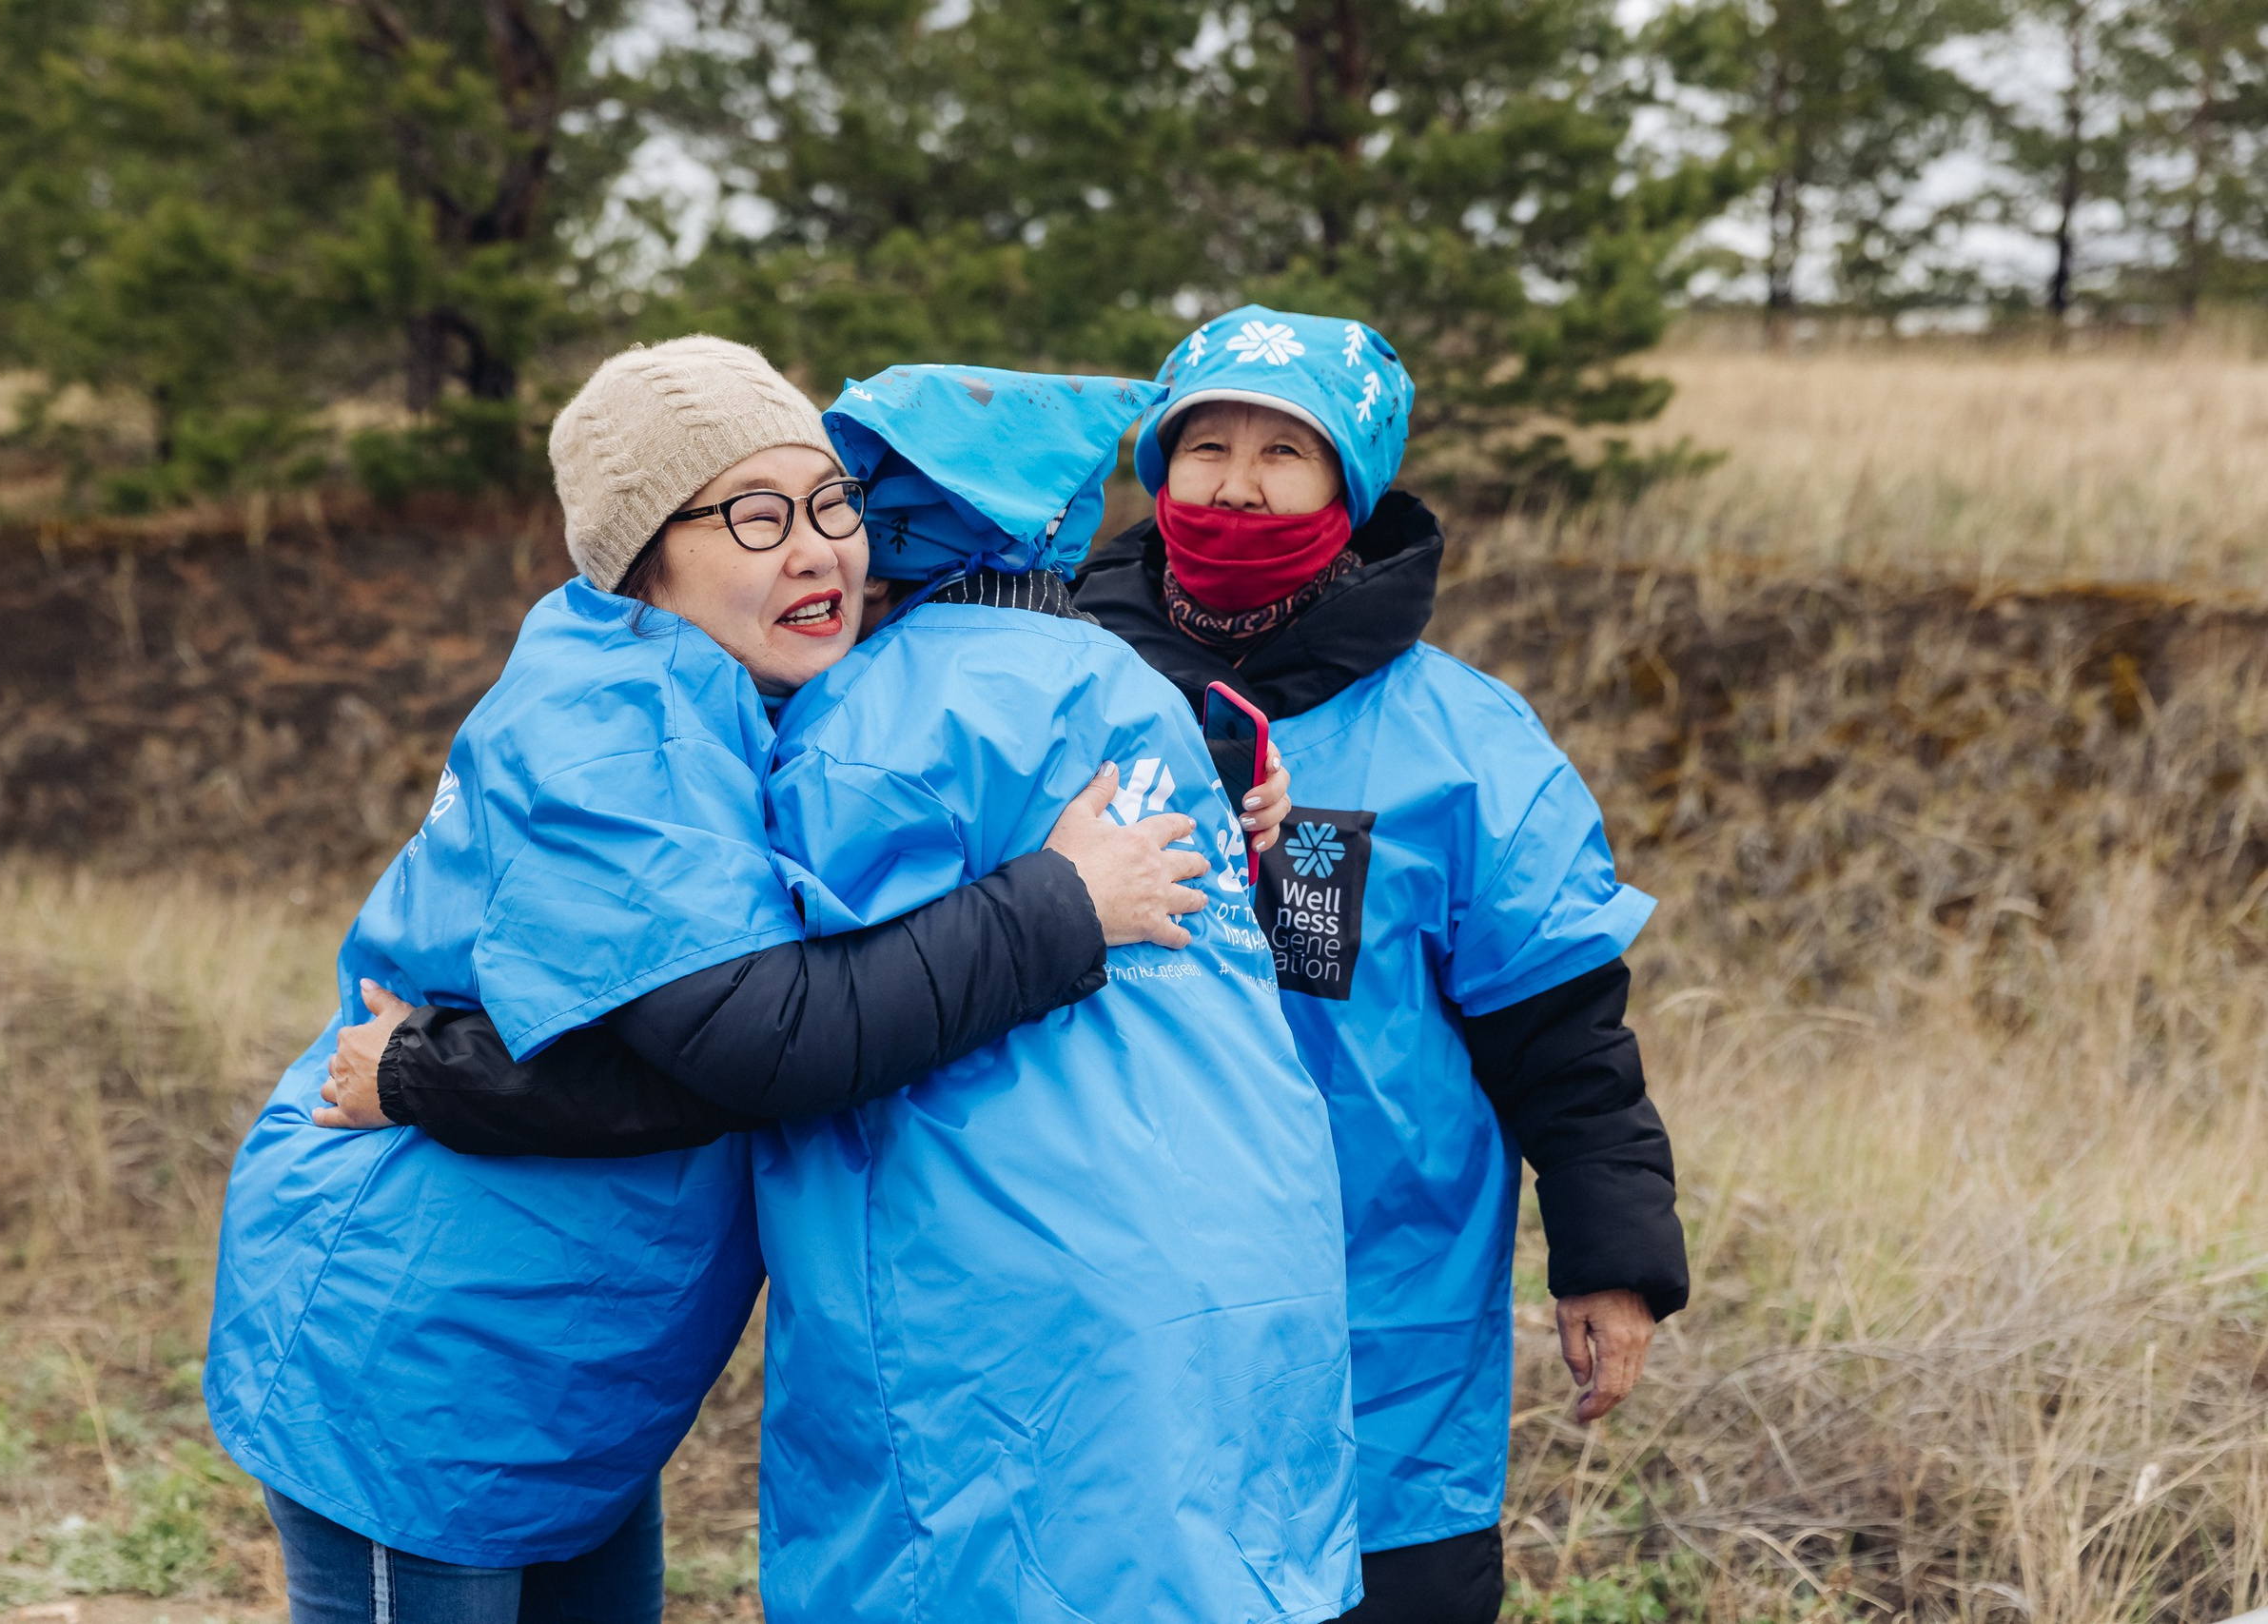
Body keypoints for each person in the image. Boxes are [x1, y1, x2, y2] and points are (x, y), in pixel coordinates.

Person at [205, 336, 1256, 1624]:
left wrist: (1213, 780)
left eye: (832, 506)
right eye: (756, 517)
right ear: (643, 557)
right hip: (425, 1358)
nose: (818, 550)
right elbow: (767, 1046)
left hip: (575, 1371)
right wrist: (1063, 905)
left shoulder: (751, 688)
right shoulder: (602, 735)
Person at [1071, 305, 1691, 1624]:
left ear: (1351, 488)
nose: (1236, 486)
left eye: (1284, 453)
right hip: (1117, 1312)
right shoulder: (1057, 689)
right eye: (1205, 447)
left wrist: (1609, 1258)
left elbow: (1565, 1036)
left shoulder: (1465, 742)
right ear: (1156, 468)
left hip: (1381, 1324)